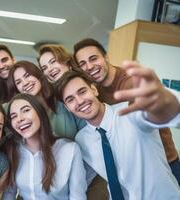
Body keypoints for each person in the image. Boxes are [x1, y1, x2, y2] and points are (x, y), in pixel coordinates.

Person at [55, 62, 180, 199]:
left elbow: (162, 114)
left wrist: (168, 103)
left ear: (94, 90)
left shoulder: (131, 112)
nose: (79, 101)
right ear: (67, 108)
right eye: (70, 99)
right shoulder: (82, 140)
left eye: (82, 91)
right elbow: (80, 180)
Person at [73, 38, 180, 184]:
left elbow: (155, 108)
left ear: (106, 57)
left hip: (164, 161)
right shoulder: (95, 89)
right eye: (83, 64)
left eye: (93, 59)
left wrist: (167, 103)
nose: (89, 66)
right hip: (132, 167)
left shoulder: (131, 83)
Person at [38, 44, 108, 199]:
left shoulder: (86, 97)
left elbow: (95, 149)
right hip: (67, 180)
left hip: (94, 178)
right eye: (44, 67)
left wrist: (75, 188)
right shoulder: (54, 101)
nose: (49, 68)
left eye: (53, 61)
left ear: (68, 62)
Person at [2, 93, 87, 199]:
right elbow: (9, 194)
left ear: (40, 113)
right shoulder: (13, 150)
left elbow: (78, 197)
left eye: (26, 110)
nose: (19, 119)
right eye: (14, 116)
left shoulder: (70, 150)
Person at [7, 60, 85, 139]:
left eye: (27, 75)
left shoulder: (63, 100)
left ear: (37, 75)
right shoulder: (23, 118)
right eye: (18, 82)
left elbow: (86, 129)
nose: (25, 83)